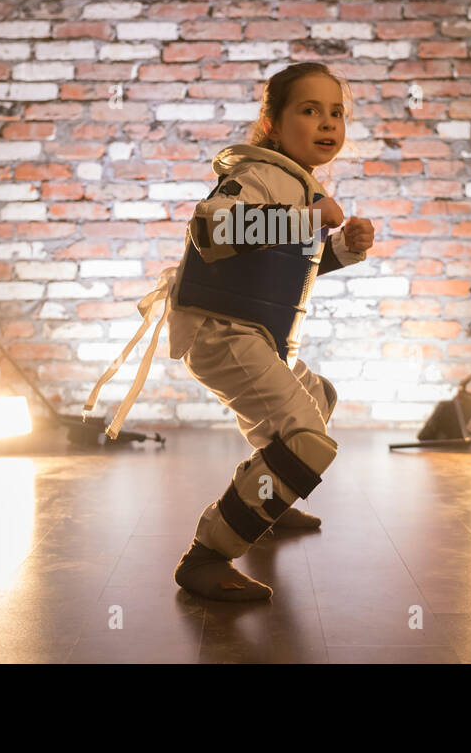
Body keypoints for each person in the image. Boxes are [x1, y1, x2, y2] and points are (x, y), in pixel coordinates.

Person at [82, 62, 375, 602]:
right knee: (304, 439)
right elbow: (212, 228)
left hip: (255, 332)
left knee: (319, 398)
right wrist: (309, 220)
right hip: (223, 330)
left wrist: (342, 248)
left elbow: (279, 268)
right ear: (272, 121)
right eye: (309, 110)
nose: (327, 122)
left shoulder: (298, 184)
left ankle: (266, 503)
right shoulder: (258, 175)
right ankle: (208, 555)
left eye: (336, 112)